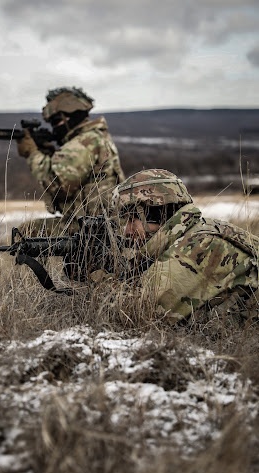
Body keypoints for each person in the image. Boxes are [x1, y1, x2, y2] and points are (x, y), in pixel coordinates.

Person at [110, 168, 259, 325]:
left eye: (133, 219)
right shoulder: (199, 232)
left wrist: (99, 275)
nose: (127, 231)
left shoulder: (199, 246)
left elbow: (135, 313)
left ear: (157, 214)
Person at [16, 86, 125, 236]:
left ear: (68, 116)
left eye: (56, 121)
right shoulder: (95, 137)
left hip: (91, 227)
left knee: (26, 232)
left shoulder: (83, 143)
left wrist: (33, 154)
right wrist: (48, 153)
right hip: (99, 223)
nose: (54, 127)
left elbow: (57, 187)